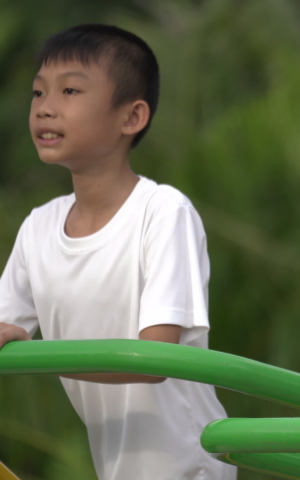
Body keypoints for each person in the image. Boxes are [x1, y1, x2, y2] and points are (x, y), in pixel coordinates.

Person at [0, 25, 236, 480]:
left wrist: (40, 354)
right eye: (37, 93)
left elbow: (154, 359)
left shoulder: (163, 212)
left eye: (69, 90)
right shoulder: (39, 227)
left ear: (131, 117)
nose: (45, 108)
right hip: (115, 467)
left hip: (190, 465)